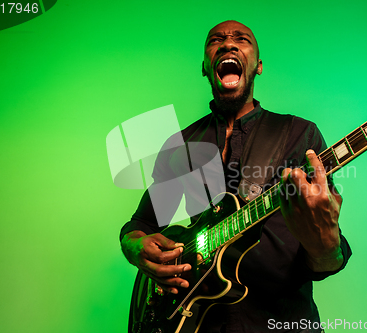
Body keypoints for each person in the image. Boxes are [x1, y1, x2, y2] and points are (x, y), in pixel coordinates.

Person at [120, 20, 352, 333]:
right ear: (205, 66)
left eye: (241, 39)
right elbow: (142, 226)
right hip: (193, 323)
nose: (229, 44)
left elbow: (327, 260)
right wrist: (136, 247)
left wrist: (327, 246)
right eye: (216, 40)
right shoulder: (180, 146)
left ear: (257, 65)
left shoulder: (299, 134)